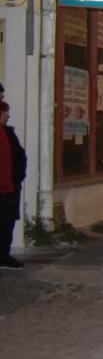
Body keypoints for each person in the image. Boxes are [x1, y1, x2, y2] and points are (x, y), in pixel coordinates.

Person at [0, 103, 28, 270]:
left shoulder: (8, 133)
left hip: (9, 188)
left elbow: (20, 155)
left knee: (7, 224)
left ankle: (3, 255)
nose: (7, 116)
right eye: (5, 113)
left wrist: (18, 175)